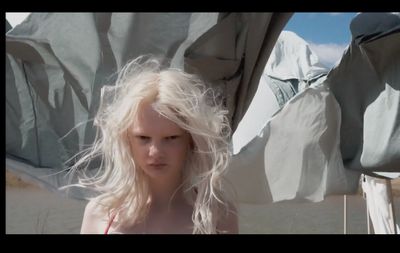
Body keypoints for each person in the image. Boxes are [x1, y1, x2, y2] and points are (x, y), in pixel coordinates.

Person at [68, 55, 238, 234]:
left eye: (171, 138)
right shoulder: (100, 214)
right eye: (143, 138)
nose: (155, 152)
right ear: (127, 139)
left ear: (191, 140)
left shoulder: (218, 217)